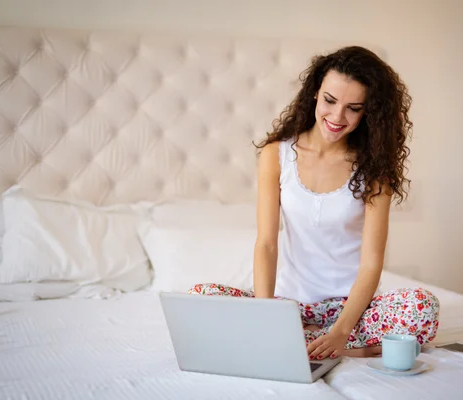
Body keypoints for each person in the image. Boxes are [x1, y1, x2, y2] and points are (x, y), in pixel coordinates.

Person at [188, 46, 440, 360]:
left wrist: (341, 330)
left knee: (422, 306)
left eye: (354, 108)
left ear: (368, 112)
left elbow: (372, 262)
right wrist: (266, 317)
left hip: (351, 312)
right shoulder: (276, 155)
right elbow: (266, 244)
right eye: (330, 101)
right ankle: (337, 346)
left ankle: (323, 344)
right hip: (288, 305)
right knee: (201, 297)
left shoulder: (374, 169)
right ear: (314, 95)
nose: (337, 117)